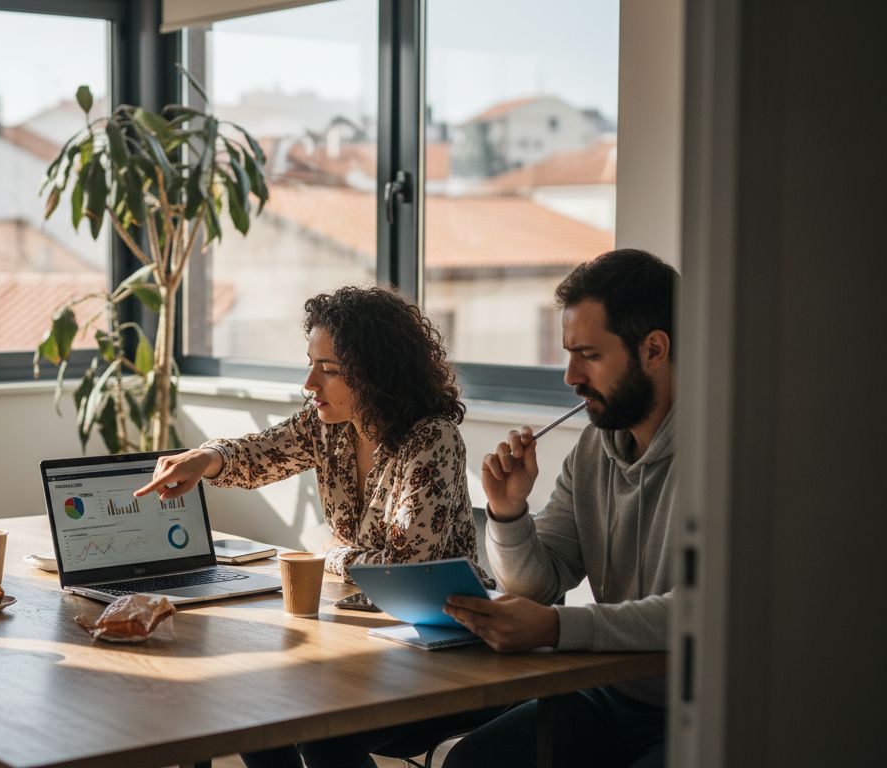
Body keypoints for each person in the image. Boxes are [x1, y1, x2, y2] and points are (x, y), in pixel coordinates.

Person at [134, 285, 500, 768]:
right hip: (368, 632)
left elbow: (403, 567)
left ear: (376, 374)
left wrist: (332, 554)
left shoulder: (432, 438)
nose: (310, 383)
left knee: (317, 720)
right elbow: (260, 453)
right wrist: (205, 458)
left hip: (441, 643)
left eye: (329, 370)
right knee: (255, 703)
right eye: (310, 363)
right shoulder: (326, 425)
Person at [436, 248, 677, 767]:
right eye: (568, 353)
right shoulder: (595, 449)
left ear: (653, 349)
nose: (570, 376)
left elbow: (701, 612)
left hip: (697, 711)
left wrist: (556, 628)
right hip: (608, 689)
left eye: (589, 355)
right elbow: (540, 585)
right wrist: (507, 514)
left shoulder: (726, 461)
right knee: (472, 762)